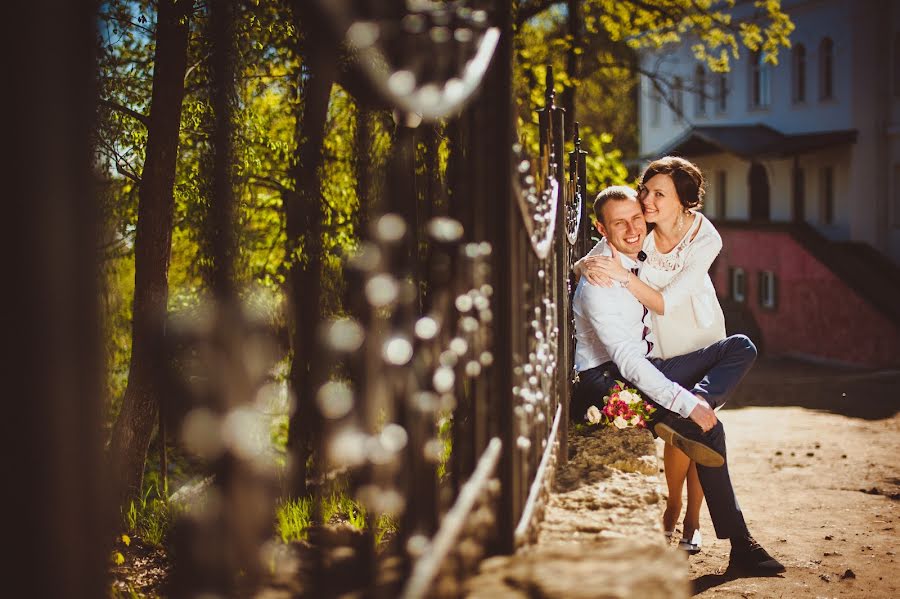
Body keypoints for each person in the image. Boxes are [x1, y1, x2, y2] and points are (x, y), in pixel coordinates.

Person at [570, 184, 784, 574]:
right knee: (708, 428)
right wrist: (686, 404)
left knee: (740, 346)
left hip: (647, 365)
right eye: (620, 223)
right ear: (602, 229)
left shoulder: (632, 249)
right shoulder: (598, 283)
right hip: (607, 381)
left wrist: (694, 400)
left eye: (637, 217)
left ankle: (693, 410)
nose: (634, 228)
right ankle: (742, 546)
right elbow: (629, 362)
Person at [574, 156, 725, 554]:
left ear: (684, 201)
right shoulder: (643, 221)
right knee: (681, 429)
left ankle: (693, 520)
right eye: (646, 190)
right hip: (659, 339)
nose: (647, 200)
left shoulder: (705, 237)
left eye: (659, 194)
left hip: (697, 328)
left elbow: (666, 301)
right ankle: (673, 506)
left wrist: (623, 276)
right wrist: (581, 263)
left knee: (703, 424)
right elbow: (603, 244)